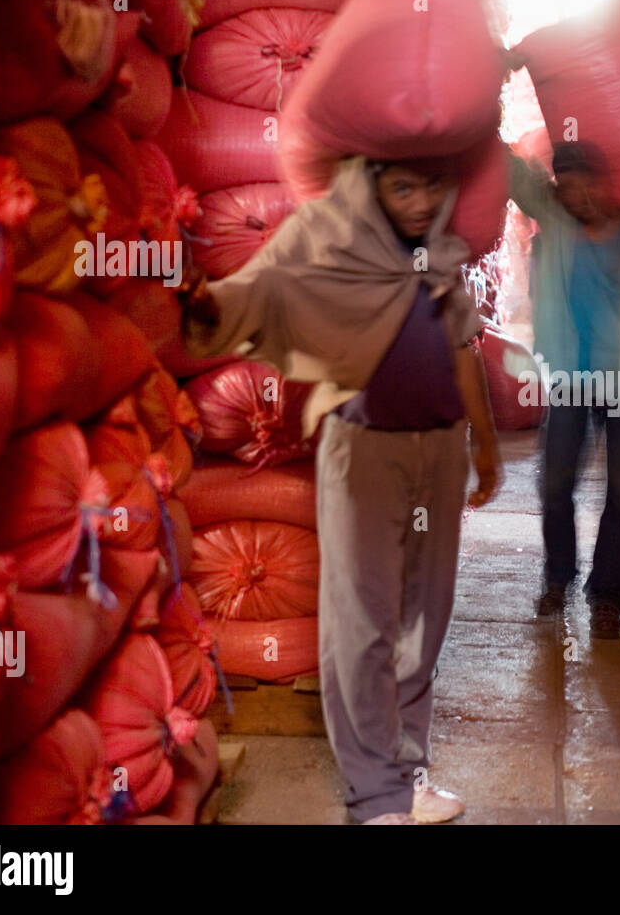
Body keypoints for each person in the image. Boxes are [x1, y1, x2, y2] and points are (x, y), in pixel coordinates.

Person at [180, 154, 502, 825]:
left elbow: (463, 351)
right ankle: (373, 795)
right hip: (365, 450)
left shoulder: (440, 255)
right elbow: (261, 296)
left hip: (438, 451)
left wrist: (488, 446)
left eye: (430, 182)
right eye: (401, 185)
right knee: (363, 620)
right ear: (369, 186)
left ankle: (407, 773)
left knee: (422, 615)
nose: (418, 200)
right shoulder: (330, 251)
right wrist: (209, 301)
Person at [506, 53, 620, 640]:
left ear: (601, 184)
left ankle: (607, 598)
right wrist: (497, 72)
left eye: (584, 186)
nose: (576, 197)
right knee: (555, 483)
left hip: (617, 377)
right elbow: (509, 169)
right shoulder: (551, 217)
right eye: (565, 187)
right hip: (568, 377)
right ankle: (557, 579)